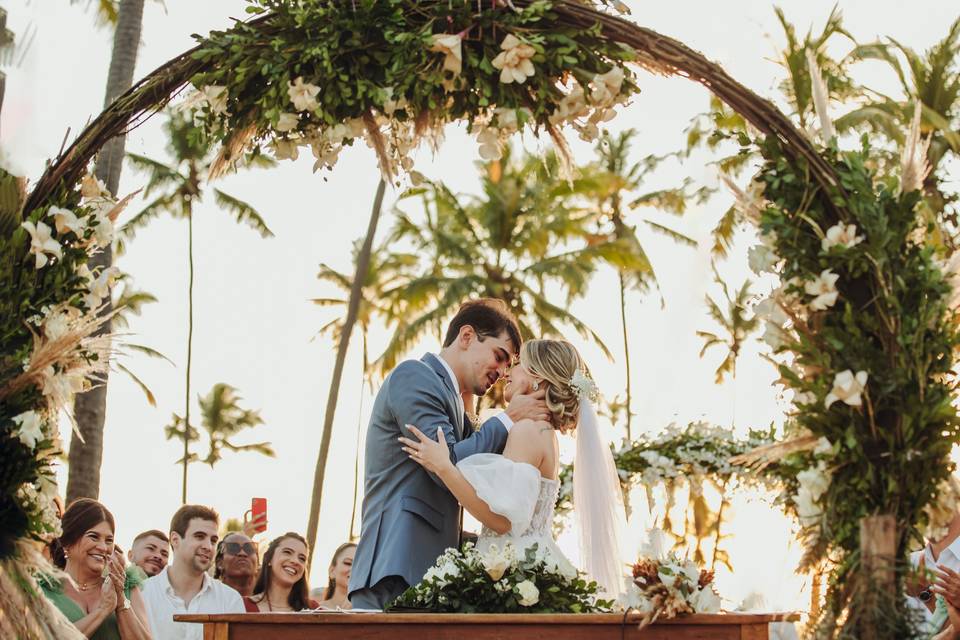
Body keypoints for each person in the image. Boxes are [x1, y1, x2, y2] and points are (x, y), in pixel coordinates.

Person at [348, 298, 550, 610]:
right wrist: (509, 418)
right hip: (396, 565)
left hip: (429, 571)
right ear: (467, 336)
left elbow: (477, 466)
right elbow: (454, 463)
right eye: (499, 356)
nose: (502, 371)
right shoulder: (415, 376)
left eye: (509, 365)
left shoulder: (456, 402)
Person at [401, 339, 628, 597]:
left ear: (538, 378)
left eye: (518, 364)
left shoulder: (528, 431)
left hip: (516, 572)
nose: (507, 372)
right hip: (527, 560)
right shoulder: (542, 431)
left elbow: (502, 521)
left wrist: (444, 467)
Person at [42, 498, 152, 640]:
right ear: (67, 542)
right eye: (94, 537)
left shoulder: (126, 587)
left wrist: (120, 601)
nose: (103, 547)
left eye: (109, 540)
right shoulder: (44, 590)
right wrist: (103, 610)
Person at [142, 505, 244, 640]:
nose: (208, 547)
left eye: (213, 540)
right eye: (199, 536)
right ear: (175, 539)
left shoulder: (230, 599)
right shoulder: (143, 594)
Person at [244, 533, 319, 611]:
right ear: (269, 558)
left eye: (302, 558)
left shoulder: (314, 610)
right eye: (287, 552)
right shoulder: (242, 606)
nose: (295, 561)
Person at [310, 542, 356, 609]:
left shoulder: (371, 611)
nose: (354, 569)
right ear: (332, 571)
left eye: (359, 565)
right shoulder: (314, 610)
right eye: (348, 563)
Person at [214, 532, 258, 597]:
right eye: (233, 549)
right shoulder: (208, 600)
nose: (242, 553)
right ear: (219, 563)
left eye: (249, 549)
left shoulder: (272, 600)